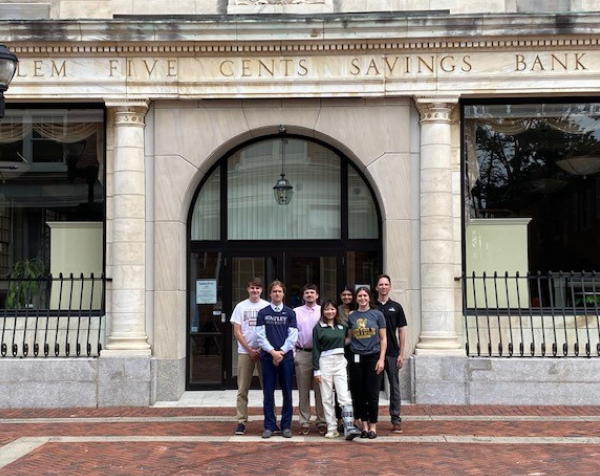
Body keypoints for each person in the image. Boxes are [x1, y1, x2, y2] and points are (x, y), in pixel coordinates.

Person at [312, 299, 361, 440]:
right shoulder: (318, 328)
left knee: (344, 396)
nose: (330, 311)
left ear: (336, 311)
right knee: (326, 397)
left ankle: (349, 426)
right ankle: (332, 428)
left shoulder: (342, 326)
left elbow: (348, 339)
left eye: (332, 309)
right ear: (323, 311)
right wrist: (317, 370)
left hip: (340, 361)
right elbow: (315, 350)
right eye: (327, 309)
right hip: (325, 362)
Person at [256, 280, 298, 439]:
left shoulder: (289, 312)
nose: (277, 294)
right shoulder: (263, 312)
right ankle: (269, 426)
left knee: (287, 392)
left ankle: (286, 426)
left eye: (280, 291)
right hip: (267, 358)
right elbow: (260, 336)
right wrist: (273, 352)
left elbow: (293, 336)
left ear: (283, 293)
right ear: (270, 294)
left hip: (286, 358)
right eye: (274, 291)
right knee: (268, 393)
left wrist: (281, 352)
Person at [230, 277, 269, 436]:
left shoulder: (267, 306)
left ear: (261, 290)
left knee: (268, 388)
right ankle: (241, 422)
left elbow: (270, 330)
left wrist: (260, 348)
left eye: (258, 288)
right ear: (248, 289)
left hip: (264, 352)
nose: (255, 291)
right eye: (252, 288)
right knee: (242, 389)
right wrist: (250, 349)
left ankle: (270, 421)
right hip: (245, 353)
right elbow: (237, 331)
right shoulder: (241, 307)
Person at [347, 286, 387, 439]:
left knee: (372, 392)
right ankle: (363, 425)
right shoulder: (352, 316)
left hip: (373, 357)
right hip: (356, 357)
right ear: (356, 299)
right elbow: (350, 338)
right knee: (358, 393)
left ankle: (373, 426)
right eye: (359, 296)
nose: (362, 298)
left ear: (369, 298)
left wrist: (381, 359)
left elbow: (383, 339)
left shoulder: (378, 315)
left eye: (365, 296)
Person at [375, 274, 408, 434]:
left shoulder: (397, 307)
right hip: (375, 353)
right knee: (373, 388)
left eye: (386, 284)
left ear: (390, 287)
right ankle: (371, 418)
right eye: (380, 284)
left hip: (393, 353)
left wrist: (401, 354)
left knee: (394, 387)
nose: (383, 287)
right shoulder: (371, 306)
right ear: (376, 287)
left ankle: (396, 419)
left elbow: (401, 331)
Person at [294, 284, 326, 435]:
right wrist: (295, 353)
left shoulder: (324, 311)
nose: (309, 295)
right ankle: (304, 421)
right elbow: (292, 332)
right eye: (307, 293)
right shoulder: (295, 312)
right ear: (303, 296)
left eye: (312, 292)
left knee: (321, 390)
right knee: (303, 389)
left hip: (320, 355)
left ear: (317, 295)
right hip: (303, 353)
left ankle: (321, 420)